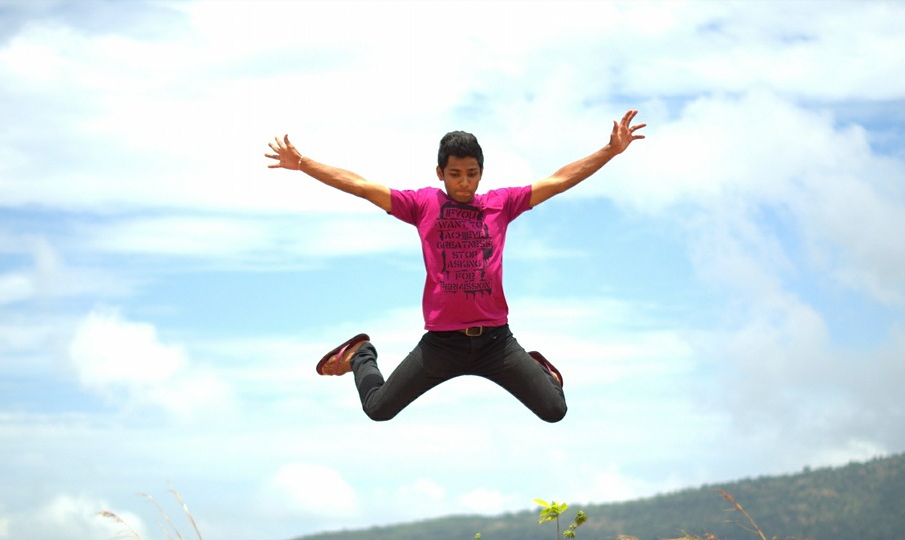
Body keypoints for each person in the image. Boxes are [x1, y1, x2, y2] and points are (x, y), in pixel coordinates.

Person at [265, 110, 646, 423]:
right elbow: (361, 186)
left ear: (482, 171)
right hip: (442, 344)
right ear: (439, 173)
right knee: (378, 409)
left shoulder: (502, 203)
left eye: (472, 174)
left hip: (496, 342)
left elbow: (560, 180)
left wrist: (609, 151)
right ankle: (362, 354)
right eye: (455, 174)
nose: (464, 183)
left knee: (555, 410)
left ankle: (541, 372)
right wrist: (303, 163)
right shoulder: (421, 205)